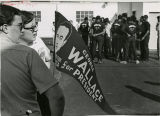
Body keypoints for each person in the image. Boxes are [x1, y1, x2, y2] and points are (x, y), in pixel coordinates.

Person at [0, 4, 65, 116]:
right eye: (20, 26)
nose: (21, 31)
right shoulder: (26, 54)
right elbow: (56, 96)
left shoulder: (35, 44)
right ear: (5, 28)